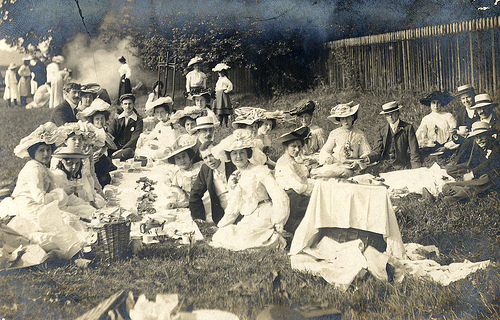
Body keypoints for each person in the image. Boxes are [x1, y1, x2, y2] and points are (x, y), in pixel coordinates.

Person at [0, 122, 88, 259]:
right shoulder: (33, 168)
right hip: (28, 206)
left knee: (70, 219)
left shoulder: (41, 167)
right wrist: (61, 192)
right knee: (63, 226)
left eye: (48, 149)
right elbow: (40, 197)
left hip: (36, 204)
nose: (46, 154)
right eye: (41, 150)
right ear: (33, 152)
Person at [211, 129, 290, 251]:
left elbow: (278, 195)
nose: (238, 157)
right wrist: (222, 224)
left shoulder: (260, 170)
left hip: (264, 214)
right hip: (249, 218)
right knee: (222, 234)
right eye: (234, 154)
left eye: (242, 153)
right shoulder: (234, 176)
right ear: (229, 156)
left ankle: (274, 238)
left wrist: (278, 220)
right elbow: (234, 206)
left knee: (245, 240)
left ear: (248, 153)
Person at [437, 121, 500, 204]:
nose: (479, 140)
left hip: (493, 178)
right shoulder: (481, 148)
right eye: (476, 138)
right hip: (483, 176)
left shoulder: (497, 146)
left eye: (482, 136)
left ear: (489, 135)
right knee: (449, 185)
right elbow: (476, 163)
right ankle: (462, 193)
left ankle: (448, 200)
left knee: (471, 187)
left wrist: (472, 174)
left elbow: (490, 163)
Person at [314, 102, 371, 178]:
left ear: (352, 118)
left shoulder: (359, 134)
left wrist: (358, 162)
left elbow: (366, 152)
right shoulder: (334, 133)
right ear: (339, 120)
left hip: (351, 166)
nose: (346, 121)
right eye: (343, 119)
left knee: (343, 174)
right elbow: (325, 150)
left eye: (348, 118)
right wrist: (328, 158)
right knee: (320, 173)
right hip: (336, 164)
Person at [275, 127, 313, 234]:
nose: (297, 150)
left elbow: (303, 177)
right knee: (316, 202)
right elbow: (298, 186)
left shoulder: (291, 160)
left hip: (296, 193)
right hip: (291, 197)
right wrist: (313, 190)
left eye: (299, 147)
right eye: (293, 146)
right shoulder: (284, 162)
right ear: (286, 146)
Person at [367, 101, 421, 174]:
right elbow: (377, 151)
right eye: (387, 115)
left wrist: (416, 170)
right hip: (384, 167)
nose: (390, 116)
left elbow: (414, 152)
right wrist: (368, 158)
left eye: (392, 113)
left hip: (402, 166)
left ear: (398, 113)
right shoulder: (382, 130)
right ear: (385, 116)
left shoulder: (407, 128)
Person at [189, 141, 237, 224]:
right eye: (205, 158)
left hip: (242, 208)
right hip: (223, 214)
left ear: (218, 153)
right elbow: (195, 194)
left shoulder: (232, 163)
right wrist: (199, 218)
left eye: (211, 155)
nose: (209, 160)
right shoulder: (205, 169)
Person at [51, 145, 104, 210]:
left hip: (77, 204)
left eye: (77, 163)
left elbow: (87, 193)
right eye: (70, 163)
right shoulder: (59, 176)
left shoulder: (77, 175)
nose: (74, 167)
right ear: (63, 162)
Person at [80, 98, 117, 187]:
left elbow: (110, 145)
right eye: (97, 119)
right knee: (102, 179)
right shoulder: (92, 130)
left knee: (107, 177)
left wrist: (103, 148)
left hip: (100, 157)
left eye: (102, 118)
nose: (100, 121)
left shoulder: (102, 129)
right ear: (92, 120)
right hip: (92, 160)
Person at [416, 91, 458, 156]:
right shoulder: (426, 118)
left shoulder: (448, 116)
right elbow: (420, 135)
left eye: (438, 103)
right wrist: (427, 143)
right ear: (430, 104)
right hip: (432, 147)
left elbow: (455, 133)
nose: (436, 106)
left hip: (447, 146)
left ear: (441, 103)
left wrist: (446, 147)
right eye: (433, 103)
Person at [108, 93, 143, 161]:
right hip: (116, 147)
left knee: (128, 152)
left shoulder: (138, 120)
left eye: (130, 103)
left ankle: (112, 159)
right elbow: (111, 133)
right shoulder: (117, 120)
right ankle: (112, 158)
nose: (128, 106)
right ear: (122, 105)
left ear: (133, 105)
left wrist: (122, 150)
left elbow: (134, 139)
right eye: (125, 104)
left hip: (128, 148)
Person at [212, 63, 233, 127]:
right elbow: (217, 87)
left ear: (224, 72)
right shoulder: (219, 79)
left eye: (221, 72)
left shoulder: (225, 79)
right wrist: (216, 93)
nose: (220, 73)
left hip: (223, 95)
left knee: (225, 111)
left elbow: (230, 85)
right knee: (219, 111)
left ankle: (225, 124)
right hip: (218, 95)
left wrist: (226, 91)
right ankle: (220, 123)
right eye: (219, 72)